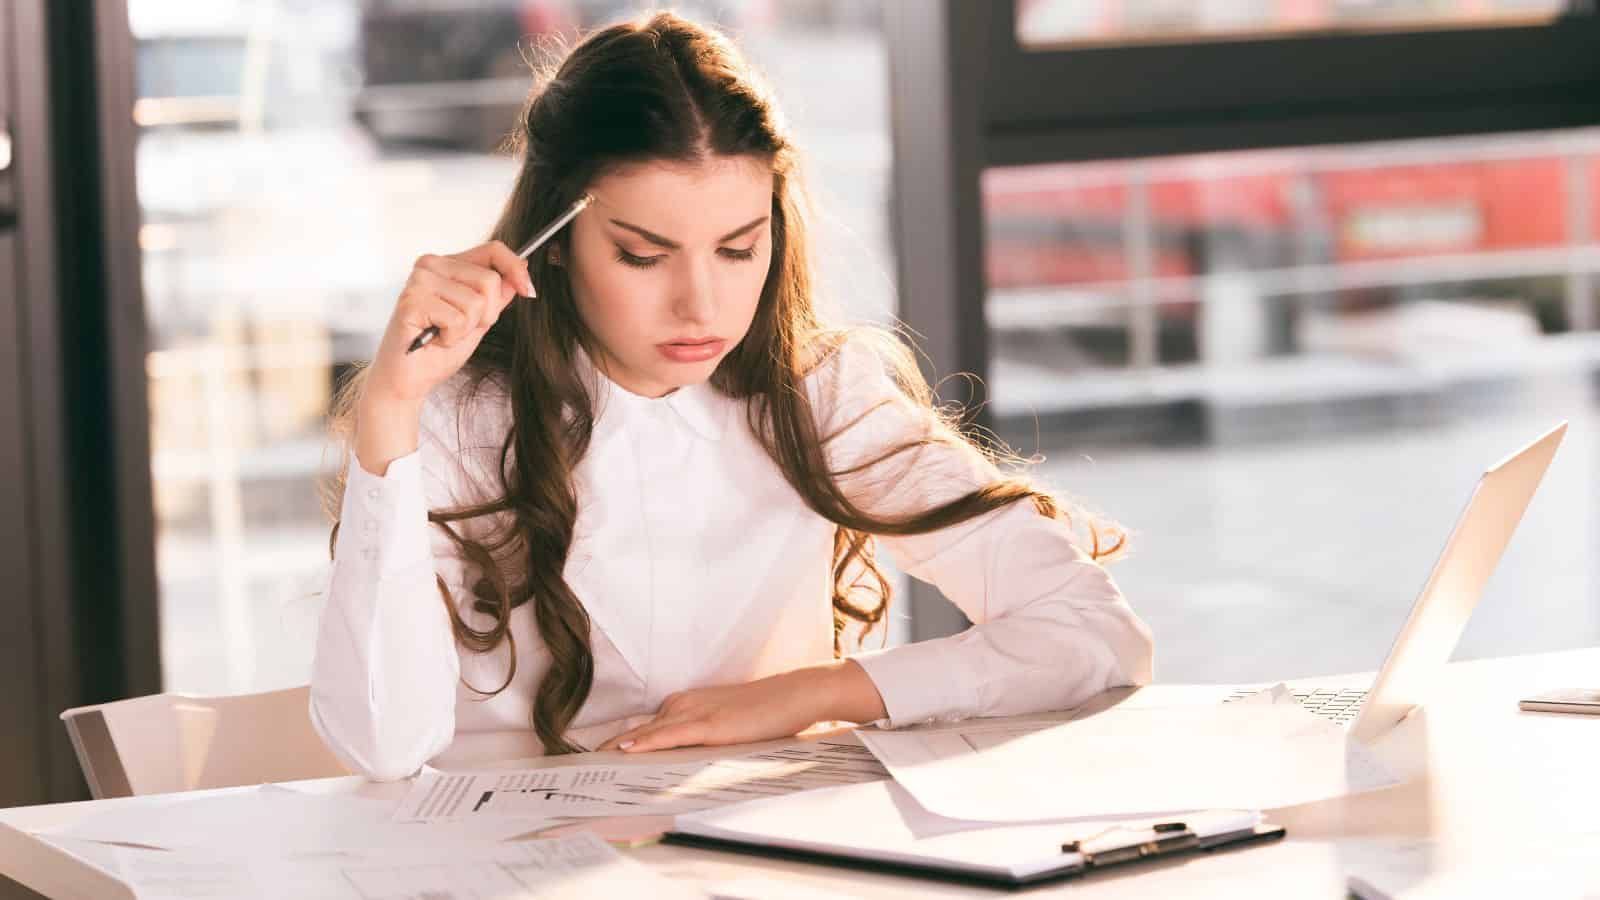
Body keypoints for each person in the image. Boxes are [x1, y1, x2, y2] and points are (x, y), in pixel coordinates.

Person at [310, 11, 1153, 781]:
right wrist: (389, 411)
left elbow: (1097, 634)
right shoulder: (460, 418)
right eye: (643, 255)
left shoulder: (821, 395)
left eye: (738, 248)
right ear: (556, 243)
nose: (701, 307)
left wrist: (809, 695)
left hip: (756, 848)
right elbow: (382, 744)